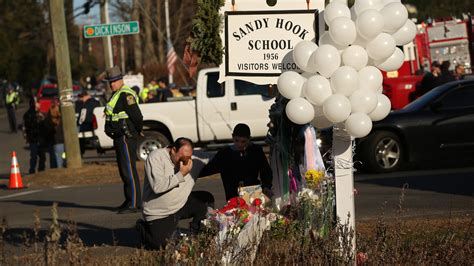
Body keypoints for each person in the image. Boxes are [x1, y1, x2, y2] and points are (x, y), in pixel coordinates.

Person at [137, 137, 214, 249]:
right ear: (173, 150)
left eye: (188, 157)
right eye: (182, 157)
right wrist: (181, 174)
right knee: (161, 245)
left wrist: (239, 146)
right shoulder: (156, 157)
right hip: (159, 212)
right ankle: (143, 229)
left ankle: (197, 232)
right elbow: (157, 187)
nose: (185, 161)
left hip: (180, 204)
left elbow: (215, 155)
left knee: (205, 199)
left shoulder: (191, 158)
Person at [103, 66, 143, 214]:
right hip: (119, 137)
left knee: (129, 170)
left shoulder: (126, 95)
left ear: (121, 80)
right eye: (110, 82)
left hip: (126, 137)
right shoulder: (116, 94)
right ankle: (129, 199)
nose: (112, 84)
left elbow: (137, 116)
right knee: (123, 170)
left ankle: (134, 203)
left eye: (114, 81)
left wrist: (137, 131)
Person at [199, 123, 273, 201]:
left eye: (243, 141)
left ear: (249, 139)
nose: (239, 144)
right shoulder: (225, 154)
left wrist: (266, 186)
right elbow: (210, 168)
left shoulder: (255, 151)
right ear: (232, 137)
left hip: (253, 194)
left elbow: (265, 171)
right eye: (236, 140)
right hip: (233, 195)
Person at [22, 98, 46, 174]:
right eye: (37, 103)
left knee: (42, 156)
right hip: (33, 139)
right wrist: (37, 119)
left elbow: (43, 126)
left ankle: (41, 170)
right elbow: (29, 127)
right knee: (34, 156)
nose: (39, 104)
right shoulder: (28, 114)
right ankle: (32, 170)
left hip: (40, 138)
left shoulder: (39, 113)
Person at [77, 91, 100, 155]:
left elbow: (82, 117)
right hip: (96, 125)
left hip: (87, 124)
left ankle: (80, 152)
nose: (81, 99)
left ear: (87, 96)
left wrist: (78, 123)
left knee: (79, 137)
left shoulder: (85, 105)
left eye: (82, 97)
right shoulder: (97, 102)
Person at [45, 101, 65, 168]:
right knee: (62, 160)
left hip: (53, 142)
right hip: (61, 141)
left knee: (55, 160)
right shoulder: (62, 119)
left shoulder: (48, 120)